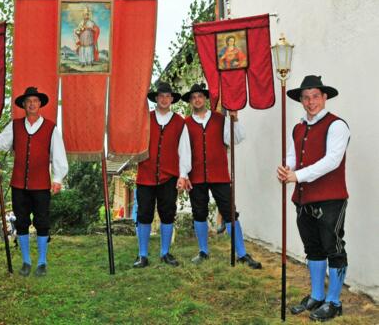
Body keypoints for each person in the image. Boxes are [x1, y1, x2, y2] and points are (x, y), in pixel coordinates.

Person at [277, 75, 350, 321]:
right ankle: (317, 295)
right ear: (301, 100)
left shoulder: (337, 125)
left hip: (330, 198)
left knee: (334, 248)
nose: (311, 102)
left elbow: (332, 161)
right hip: (303, 198)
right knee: (313, 248)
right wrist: (286, 169)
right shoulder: (298, 127)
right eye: (306, 97)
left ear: (324, 97)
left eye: (315, 96)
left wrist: (297, 175)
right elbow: (292, 155)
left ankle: (334, 302)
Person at [178, 83, 262, 269]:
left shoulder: (219, 119)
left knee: (230, 212)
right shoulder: (186, 123)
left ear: (205, 99)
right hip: (196, 175)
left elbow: (236, 139)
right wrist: (184, 174)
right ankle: (203, 251)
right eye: (194, 97)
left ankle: (242, 253)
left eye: (200, 96)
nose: (197, 100)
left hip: (220, 174)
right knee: (199, 213)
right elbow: (184, 151)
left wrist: (235, 120)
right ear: (190, 101)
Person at [0, 86, 68, 277]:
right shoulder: (14, 126)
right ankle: (26, 261)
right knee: (22, 222)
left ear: (40, 104)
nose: (32, 104)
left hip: (41, 185)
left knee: (42, 222)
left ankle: (42, 262)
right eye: (28, 101)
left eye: (35, 101)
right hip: (19, 185)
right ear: (23, 105)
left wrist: (57, 178)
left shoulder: (50, 128)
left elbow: (59, 154)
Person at [133, 82, 191, 268]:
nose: (164, 99)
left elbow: (184, 151)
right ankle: (142, 255)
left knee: (167, 213)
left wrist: (183, 175)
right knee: (144, 214)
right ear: (156, 98)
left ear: (172, 99)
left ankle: (165, 252)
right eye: (161, 96)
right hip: (146, 175)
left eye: (168, 96)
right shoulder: (145, 119)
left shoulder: (180, 122)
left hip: (169, 177)